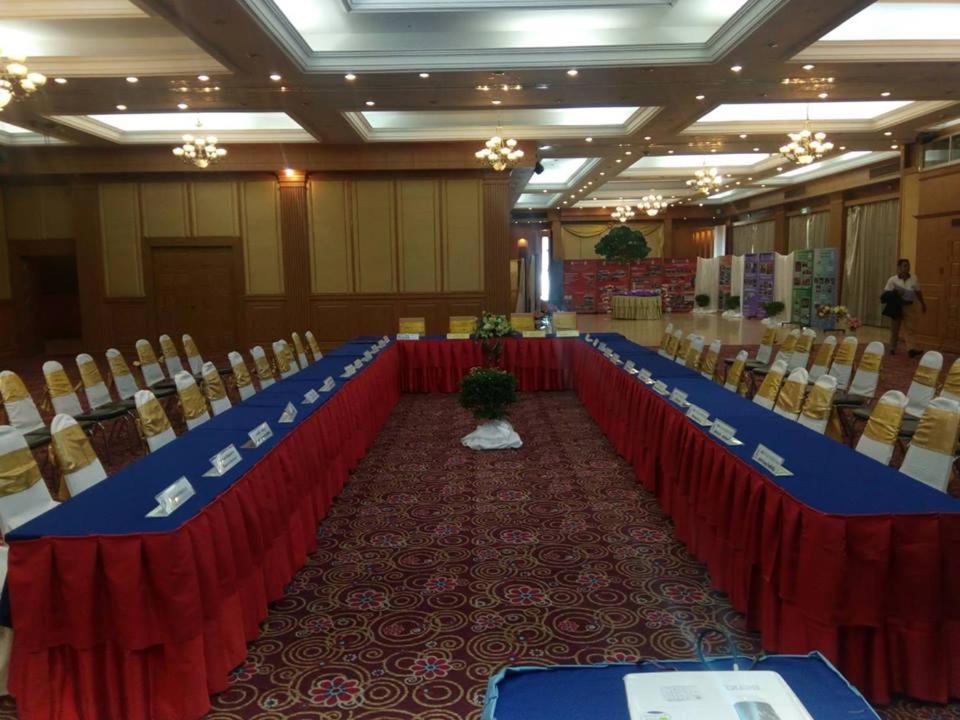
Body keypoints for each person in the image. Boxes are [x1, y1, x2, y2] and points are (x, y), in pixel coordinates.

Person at [884, 258, 926, 357]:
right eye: (905, 266)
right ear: (899, 267)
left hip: (909, 306)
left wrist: (923, 303)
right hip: (897, 307)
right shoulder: (892, 279)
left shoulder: (913, 278)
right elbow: (886, 294)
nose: (907, 268)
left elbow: (918, 291)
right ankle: (892, 348)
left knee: (910, 329)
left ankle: (911, 349)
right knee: (895, 329)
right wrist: (896, 293)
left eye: (908, 265)